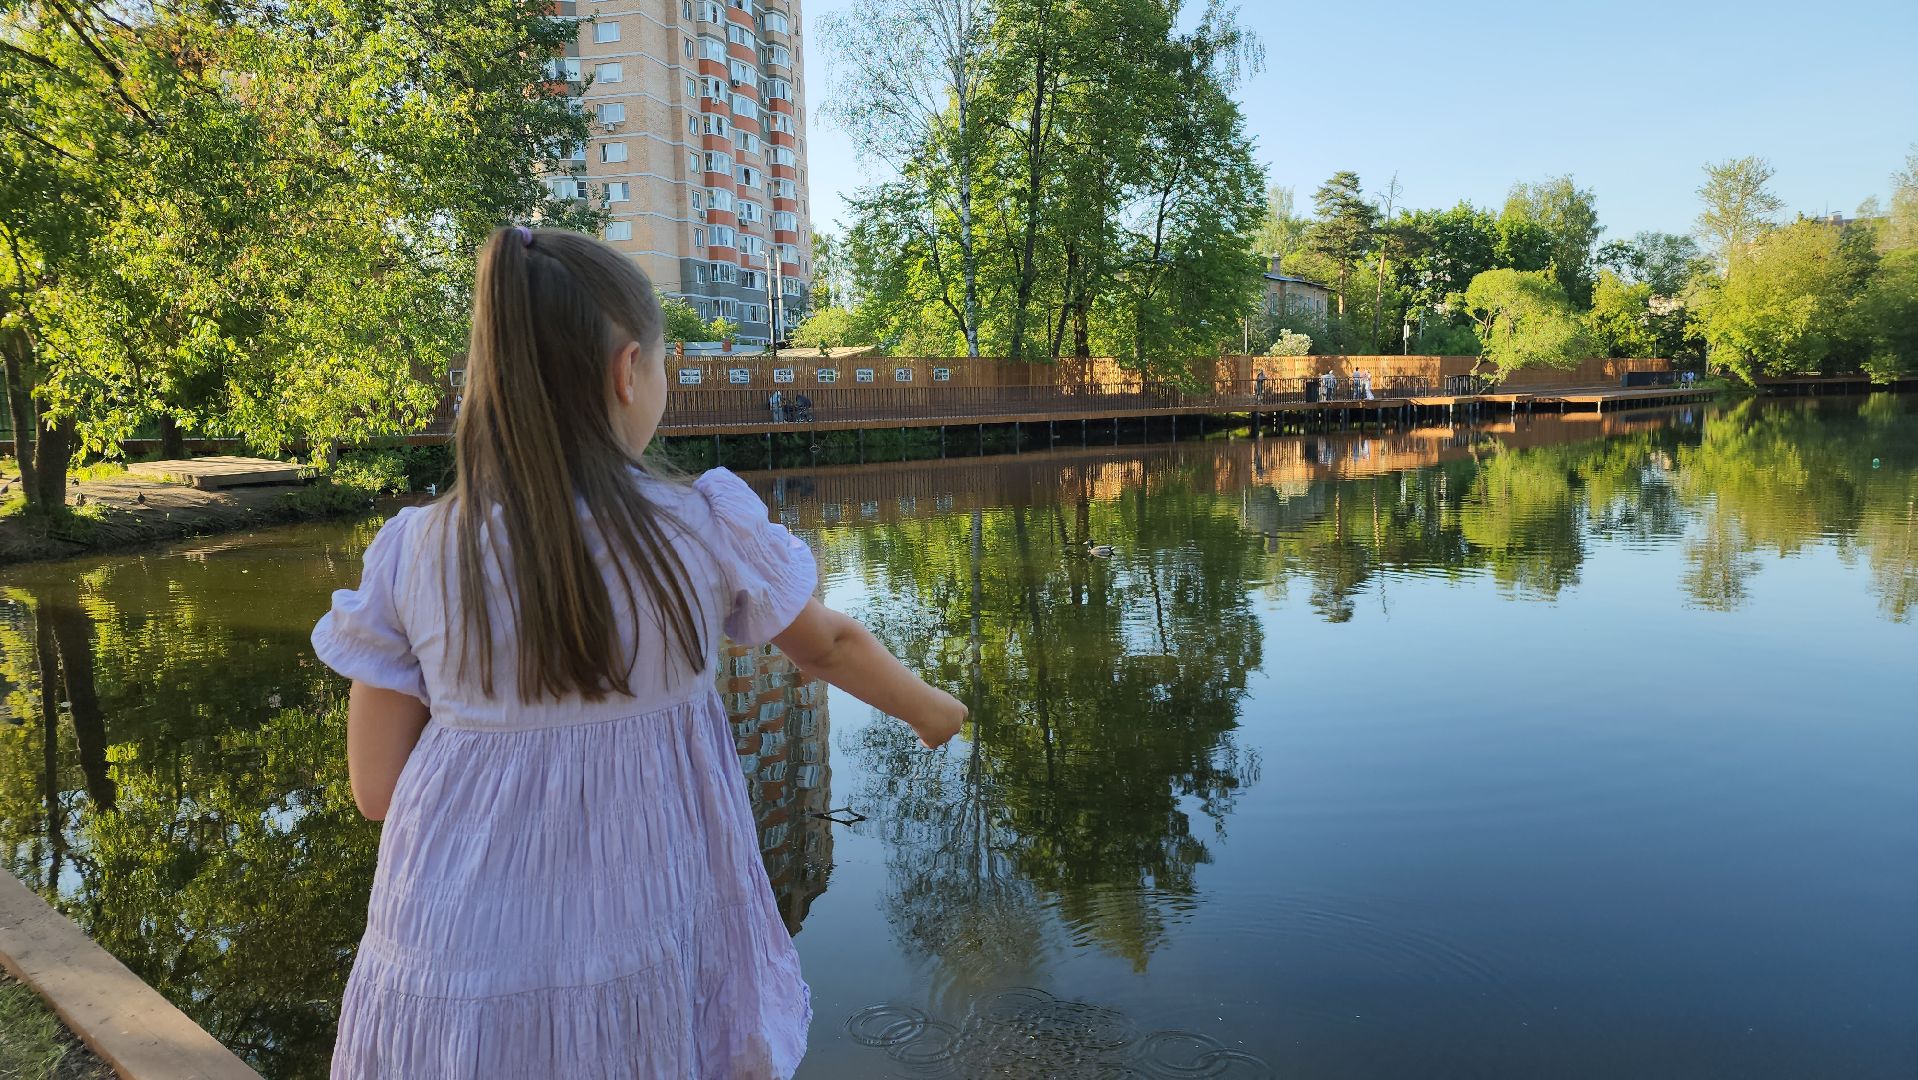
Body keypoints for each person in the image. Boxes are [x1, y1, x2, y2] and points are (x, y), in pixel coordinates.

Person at [312, 225, 965, 1079]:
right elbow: (830, 647)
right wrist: (929, 708)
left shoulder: (414, 550)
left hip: (450, 944)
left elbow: (376, 790)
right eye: (663, 366)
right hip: (637, 929)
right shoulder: (700, 526)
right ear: (629, 373)